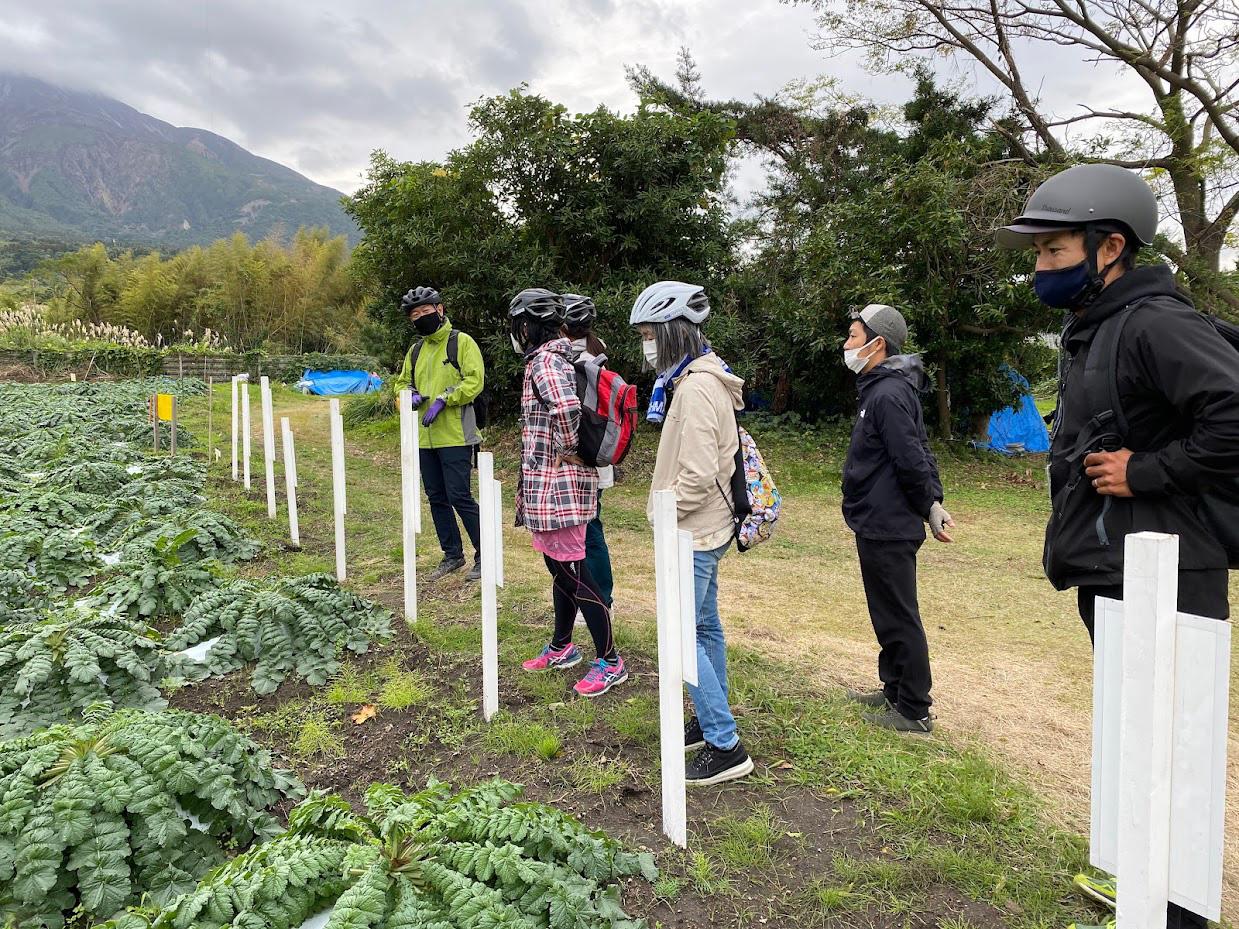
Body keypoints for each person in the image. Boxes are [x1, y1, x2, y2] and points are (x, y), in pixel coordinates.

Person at [997, 163, 1239, 929]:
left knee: (1173, 761)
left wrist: (1148, 469)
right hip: (1118, 567)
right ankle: (1146, 899)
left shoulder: (1154, 323)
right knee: (1140, 750)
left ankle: (1175, 916)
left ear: (1110, 247)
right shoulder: (1097, 326)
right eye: (1036, 252)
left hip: (1167, 572)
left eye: (1053, 249)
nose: (1039, 266)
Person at [632, 280, 754, 786]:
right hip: (704, 528)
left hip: (694, 532)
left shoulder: (699, 388)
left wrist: (665, 512)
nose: (645, 344)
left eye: (648, 333)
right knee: (705, 628)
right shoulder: (696, 379)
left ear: (673, 331)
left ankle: (725, 745)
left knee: (682, 638)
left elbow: (700, 473)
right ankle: (710, 721)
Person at [841, 304, 954, 735]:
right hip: (876, 518)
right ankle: (893, 687)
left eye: (853, 336)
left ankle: (914, 707)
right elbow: (922, 445)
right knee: (885, 610)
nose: (846, 345)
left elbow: (911, 458)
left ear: (876, 344)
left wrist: (930, 506)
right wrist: (934, 501)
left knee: (899, 613)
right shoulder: (882, 388)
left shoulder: (888, 393)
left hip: (890, 523)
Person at [512, 288, 628, 698]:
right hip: (551, 486)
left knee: (576, 574)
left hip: (558, 485)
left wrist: (565, 450)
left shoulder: (544, 362)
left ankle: (611, 660)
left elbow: (565, 409)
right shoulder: (556, 358)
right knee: (560, 570)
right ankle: (562, 646)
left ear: (524, 327)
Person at [391, 286, 486, 582]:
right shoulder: (416, 350)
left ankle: (485, 553)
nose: (420, 317)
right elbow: (400, 383)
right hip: (424, 437)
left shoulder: (462, 342)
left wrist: (446, 398)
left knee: (461, 496)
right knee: (436, 497)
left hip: (456, 434)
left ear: (440, 310)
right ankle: (452, 554)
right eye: (415, 314)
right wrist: (408, 395)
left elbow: (475, 380)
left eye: (425, 311)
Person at [562, 293, 615, 614]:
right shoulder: (598, 350)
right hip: (596, 459)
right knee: (590, 530)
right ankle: (596, 598)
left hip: (580, 459)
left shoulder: (575, 360)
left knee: (588, 533)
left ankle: (600, 600)